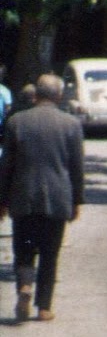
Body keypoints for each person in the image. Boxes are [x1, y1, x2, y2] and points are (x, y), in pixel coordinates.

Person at [0, 73, 85, 323]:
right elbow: (77, 167)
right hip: (58, 198)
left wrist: (1, 200)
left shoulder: (17, 122)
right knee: (50, 253)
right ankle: (44, 307)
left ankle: (24, 285)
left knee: (24, 249)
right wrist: (77, 200)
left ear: (35, 95)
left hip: (23, 197)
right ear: (59, 96)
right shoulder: (71, 125)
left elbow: (6, 166)